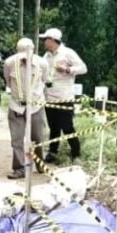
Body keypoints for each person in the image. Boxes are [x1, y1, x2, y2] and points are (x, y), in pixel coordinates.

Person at [40, 28, 87, 164]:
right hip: (49, 96)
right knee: (53, 127)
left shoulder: (68, 53)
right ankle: (52, 152)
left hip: (64, 96)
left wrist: (67, 69)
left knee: (67, 127)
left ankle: (76, 153)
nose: (44, 42)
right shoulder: (46, 56)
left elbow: (83, 68)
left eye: (46, 39)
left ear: (53, 40)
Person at [3, 38, 48, 179]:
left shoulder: (42, 63)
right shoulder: (10, 63)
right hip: (17, 105)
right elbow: (8, 82)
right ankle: (19, 168)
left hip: (35, 106)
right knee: (16, 139)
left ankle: (40, 163)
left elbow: (44, 81)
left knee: (37, 137)